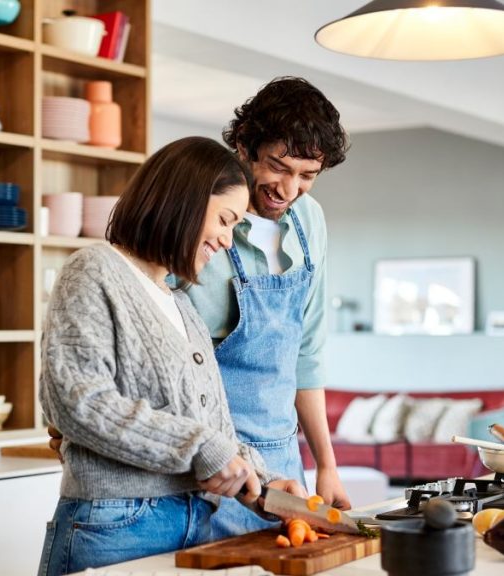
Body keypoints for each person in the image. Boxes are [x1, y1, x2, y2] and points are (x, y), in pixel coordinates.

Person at [37, 136, 305, 576]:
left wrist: (267, 483)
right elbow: (76, 402)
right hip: (116, 524)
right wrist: (203, 448)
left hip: (195, 520)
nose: (225, 240)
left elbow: (210, 428)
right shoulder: (94, 271)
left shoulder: (181, 305)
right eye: (224, 220)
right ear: (184, 200)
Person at [193, 77, 352, 539]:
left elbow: (307, 351)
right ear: (243, 146)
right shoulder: (202, 217)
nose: (289, 189)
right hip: (212, 466)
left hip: (283, 466)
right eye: (278, 167)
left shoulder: (311, 219)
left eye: (307, 175)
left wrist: (326, 464)